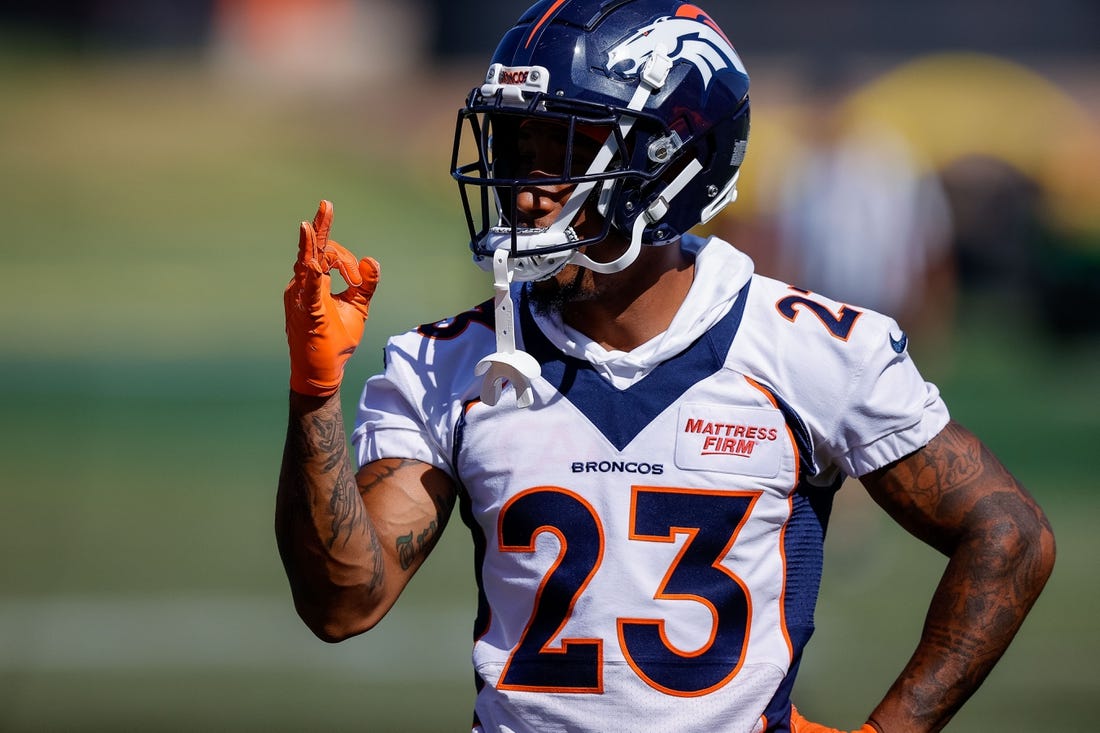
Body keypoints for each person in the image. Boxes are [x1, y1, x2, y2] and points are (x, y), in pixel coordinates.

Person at [277, 1, 1055, 731]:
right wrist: (314, 393)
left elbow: (1008, 533)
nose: (524, 192)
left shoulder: (803, 348)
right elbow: (344, 603)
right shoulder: (449, 362)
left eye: (566, 150)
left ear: (673, 164)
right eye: (516, 147)